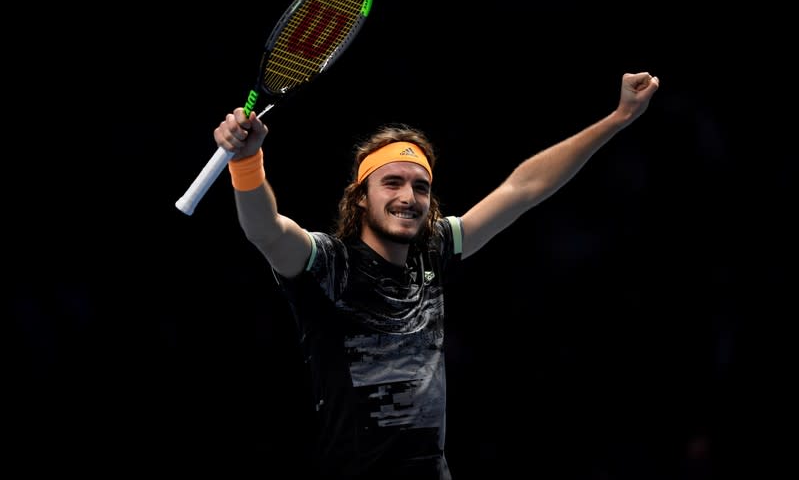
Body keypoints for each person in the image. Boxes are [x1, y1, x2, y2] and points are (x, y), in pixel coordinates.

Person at [214, 71, 660, 479]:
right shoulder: (329, 263)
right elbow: (266, 230)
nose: (408, 196)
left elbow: (524, 189)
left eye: (420, 186)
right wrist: (247, 162)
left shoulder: (432, 250)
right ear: (361, 198)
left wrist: (618, 118)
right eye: (392, 182)